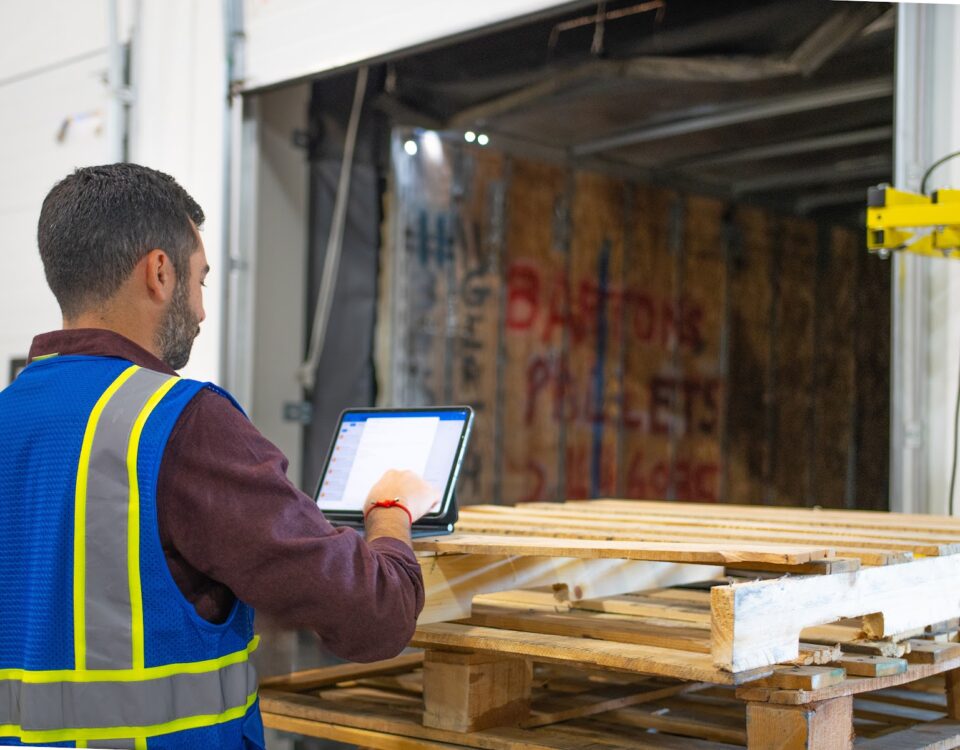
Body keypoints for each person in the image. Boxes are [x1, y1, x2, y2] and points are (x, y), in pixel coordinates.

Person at [0, 163, 440, 749]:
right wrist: (389, 511)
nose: (203, 311)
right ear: (160, 272)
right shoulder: (180, 422)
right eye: (200, 280)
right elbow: (376, 615)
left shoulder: (12, 414)